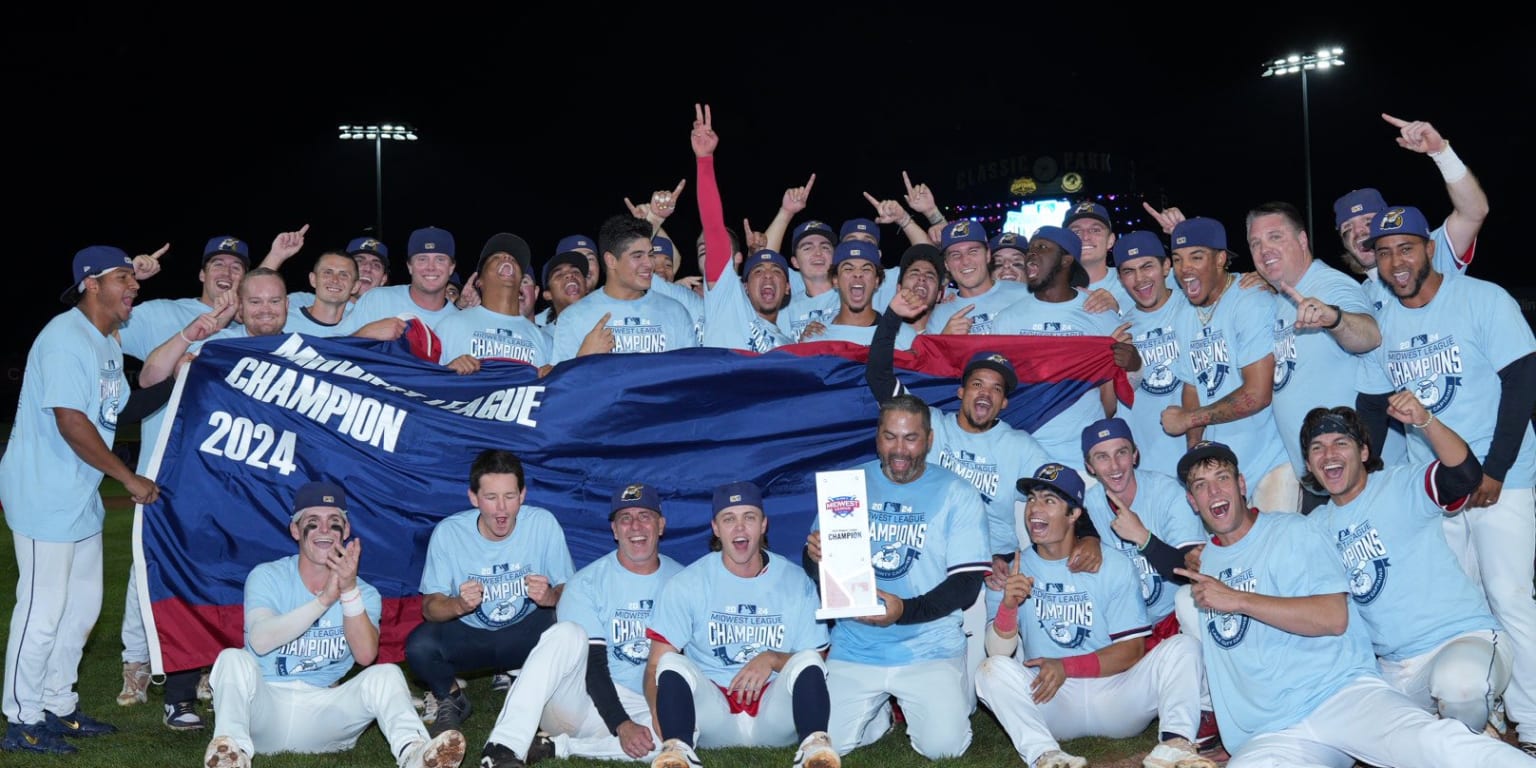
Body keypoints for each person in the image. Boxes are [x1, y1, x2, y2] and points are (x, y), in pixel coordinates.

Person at [1172, 441, 1531, 766]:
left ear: (1241, 485)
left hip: (1340, 698)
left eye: (1222, 477)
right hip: (1273, 734)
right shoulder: (1205, 568)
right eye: (1201, 486)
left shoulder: (1295, 531)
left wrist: (1237, 600)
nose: (1213, 490)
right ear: (1192, 501)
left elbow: (1333, 616)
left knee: (1432, 744)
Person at [1354, 204, 1536, 755]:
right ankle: (1486, 710)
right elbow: (1370, 404)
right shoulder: (1382, 320)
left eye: (1405, 248)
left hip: (1506, 477)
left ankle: (1531, 723)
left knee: (1508, 597)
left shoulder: (1482, 298)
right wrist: (1375, 483)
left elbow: (1522, 383)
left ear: (1429, 249)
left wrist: (1497, 469)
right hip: (1432, 484)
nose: (1396, 261)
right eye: (1384, 253)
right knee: (1463, 605)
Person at [1, 246, 160, 755]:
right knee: (42, 610)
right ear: (91, 284)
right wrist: (130, 479)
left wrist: (181, 373)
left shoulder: (106, 339)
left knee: (83, 609)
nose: (132, 285)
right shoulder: (65, 339)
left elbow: (124, 405)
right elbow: (72, 422)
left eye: (133, 278)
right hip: (43, 490)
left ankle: (58, 704)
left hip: (79, 491)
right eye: (122, 278)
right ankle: (20, 718)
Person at [201, 481, 466, 768]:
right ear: (295, 529)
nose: (325, 530)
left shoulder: (364, 593)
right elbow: (261, 640)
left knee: (386, 674)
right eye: (312, 523)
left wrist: (348, 591)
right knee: (232, 658)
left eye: (334, 522)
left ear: (347, 530)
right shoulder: (267, 576)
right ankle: (231, 753)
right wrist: (324, 601)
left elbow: (366, 655)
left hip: (324, 712)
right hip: (264, 709)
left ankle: (415, 754)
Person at [977, 463, 1214, 768]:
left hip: (1114, 694)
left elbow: (1132, 650)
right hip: (1051, 698)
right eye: (1033, 498)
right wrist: (1008, 606)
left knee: (1184, 648)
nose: (1035, 509)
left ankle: (1176, 746)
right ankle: (1046, 756)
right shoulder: (1013, 570)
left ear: (1074, 514)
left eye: (1049, 501)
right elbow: (997, 653)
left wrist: (1067, 665)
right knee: (990, 671)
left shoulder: (1112, 563)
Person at [1301, 403, 1512, 736]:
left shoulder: (1400, 484)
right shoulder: (1313, 529)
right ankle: (1463, 731)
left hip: (1462, 638)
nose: (1328, 453)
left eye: (1340, 442)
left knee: (1459, 686)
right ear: (1310, 465)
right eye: (1317, 447)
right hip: (1394, 669)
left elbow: (1464, 475)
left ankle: (1474, 722)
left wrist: (1425, 421)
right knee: (1354, 731)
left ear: (1364, 450)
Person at [803, 394, 990, 760]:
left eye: (911, 438)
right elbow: (817, 564)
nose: (899, 449)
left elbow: (966, 587)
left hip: (929, 646)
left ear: (930, 440)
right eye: (890, 437)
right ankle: (878, 717)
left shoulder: (958, 493)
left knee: (945, 749)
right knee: (824, 747)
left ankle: (913, 701)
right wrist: (814, 559)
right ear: (877, 437)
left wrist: (904, 610)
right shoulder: (848, 485)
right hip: (858, 645)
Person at [478, 483, 684, 767]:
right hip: (580, 701)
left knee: (681, 739)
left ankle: (555, 748)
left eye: (645, 516)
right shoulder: (586, 582)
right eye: (625, 518)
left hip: (645, 704)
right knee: (566, 633)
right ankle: (502, 747)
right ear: (614, 530)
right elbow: (594, 665)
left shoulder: (683, 581)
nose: (635, 525)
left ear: (660, 525)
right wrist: (621, 724)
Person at [644, 481, 838, 768]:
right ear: (715, 528)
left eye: (749, 517)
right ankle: (678, 748)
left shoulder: (795, 580)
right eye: (729, 519)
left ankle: (813, 748)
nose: (739, 528)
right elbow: (653, 666)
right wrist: (658, 716)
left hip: (772, 714)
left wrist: (771, 659)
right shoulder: (689, 582)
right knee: (671, 661)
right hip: (714, 714)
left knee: (807, 658)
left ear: (763, 525)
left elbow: (818, 659)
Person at [405, 449, 575, 736]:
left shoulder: (543, 524)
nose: (501, 509)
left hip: (526, 631)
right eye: (491, 497)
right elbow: (429, 607)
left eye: (510, 496)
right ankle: (452, 698)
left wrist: (549, 597)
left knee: (573, 627)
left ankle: (545, 691)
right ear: (473, 498)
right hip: (472, 634)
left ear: (523, 495)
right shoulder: (449, 532)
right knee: (419, 647)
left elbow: (569, 590)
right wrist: (458, 604)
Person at [1245, 200, 1380, 510]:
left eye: (1275, 237)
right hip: (1321, 481)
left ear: (1302, 240)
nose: (1265, 249)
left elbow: (1369, 336)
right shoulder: (1282, 295)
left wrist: (1334, 318)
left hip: (1359, 480)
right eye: (1256, 243)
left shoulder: (1330, 285)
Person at [1159, 217, 1294, 513]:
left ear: (1221, 259)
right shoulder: (1184, 314)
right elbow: (1192, 385)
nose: (1186, 269)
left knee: (1277, 553)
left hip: (1271, 462)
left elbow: (1258, 394)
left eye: (1197, 257)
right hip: (1220, 469)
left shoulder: (1251, 301)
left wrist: (1188, 420)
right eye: (1178, 259)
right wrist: (1195, 450)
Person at [991, 226, 1130, 471]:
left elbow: (1111, 391)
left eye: (1042, 247)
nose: (1031, 254)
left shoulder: (1099, 314)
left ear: (1067, 259)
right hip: (1022, 456)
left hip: (1083, 458)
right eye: (1031, 249)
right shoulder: (1007, 320)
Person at [1333, 114, 1486, 311]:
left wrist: (1442, 154)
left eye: (1368, 221)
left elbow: (1473, 212)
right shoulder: (1358, 298)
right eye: (1348, 228)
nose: (1359, 231)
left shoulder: (1426, 253)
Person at [550, 215, 700, 364]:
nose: (649, 264)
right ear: (611, 260)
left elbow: (690, 378)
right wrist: (583, 358)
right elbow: (561, 385)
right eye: (638, 256)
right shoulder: (573, 318)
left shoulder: (675, 312)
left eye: (650, 255)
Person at [1109, 231, 1190, 478]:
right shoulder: (1121, 330)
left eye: (1147, 267)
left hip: (1201, 453)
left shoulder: (1194, 306)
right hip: (1150, 466)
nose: (1139, 278)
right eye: (1128, 271)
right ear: (1120, 278)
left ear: (1166, 266)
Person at [435, 232, 553, 373]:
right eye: (495, 257)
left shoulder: (544, 340)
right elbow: (424, 383)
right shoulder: (450, 326)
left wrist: (551, 378)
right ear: (479, 281)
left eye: (514, 260)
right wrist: (447, 371)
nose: (507, 257)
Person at [797, 241, 915, 349]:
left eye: (866, 269)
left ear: (876, 281)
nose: (858, 274)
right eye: (848, 269)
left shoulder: (903, 335)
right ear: (835, 281)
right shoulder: (816, 339)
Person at [927, 219, 1030, 336]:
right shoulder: (940, 317)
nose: (965, 261)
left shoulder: (1024, 295)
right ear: (946, 264)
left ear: (987, 255)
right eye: (955, 255)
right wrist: (945, 341)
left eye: (973, 251)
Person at [351, 226, 461, 330]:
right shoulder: (377, 300)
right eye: (422, 259)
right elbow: (339, 344)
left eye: (440, 259)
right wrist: (367, 332)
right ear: (410, 266)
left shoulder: (461, 322)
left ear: (451, 267)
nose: (430, 267)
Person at [1063, 201, 1133, 313]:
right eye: (1076, 232)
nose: (1085, 237)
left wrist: (1117, 311)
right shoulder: (1051, 286)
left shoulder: (1134, 279)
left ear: (1110, 240)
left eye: (1095, 230)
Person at [535, 249, 591, 329]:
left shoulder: (608, 324)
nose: (569, 274)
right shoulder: (541, 338)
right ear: (548, 295)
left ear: (586, 287)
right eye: (559, 274)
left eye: (575, 271)